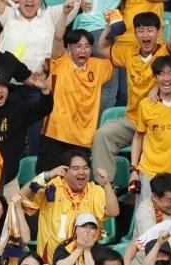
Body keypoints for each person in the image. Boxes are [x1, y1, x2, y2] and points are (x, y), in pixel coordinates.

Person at [92, 11, 171, 182]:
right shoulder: (129, 51)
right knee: (103, 135)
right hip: (133, 120)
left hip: (159, 122)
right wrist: (109, 27)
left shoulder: (166, 52)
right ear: (135, 33)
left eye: (150, 30)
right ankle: (105, 189)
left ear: (158, 32)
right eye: (141, 30)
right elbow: (101, 48)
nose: (145, 35)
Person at [37, 11, 115, 172]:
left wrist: (108, 27)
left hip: (82, 139)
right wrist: (65, 14)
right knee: (49, 181)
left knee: (76, 182)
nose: (83, 51)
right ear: (69, 48)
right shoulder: (60, 61)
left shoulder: (100, 67)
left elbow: (110, 50)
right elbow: (58, 37)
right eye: (78, 46)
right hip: (55, 134)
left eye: (87, 47)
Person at [21, 151, 117, 262]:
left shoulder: (94, 190)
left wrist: (106, 184)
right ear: (64, 171)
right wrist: (47, 175)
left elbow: (113, 211)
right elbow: (21, 198)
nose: (81, 172)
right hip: (50, 262)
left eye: (85, 168)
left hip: (85, 261)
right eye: (76, 168)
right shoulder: (52, 186)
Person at [130, 56, 171, 203]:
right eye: (161, 74)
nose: (166, 79)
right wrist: (134, 170)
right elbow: (138, 137)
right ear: (155, 77)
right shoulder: (145, 104)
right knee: (147, 216)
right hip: (150, 174)